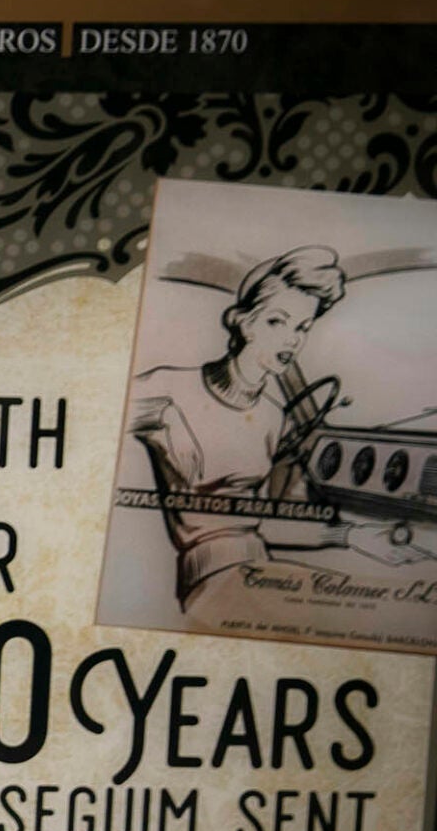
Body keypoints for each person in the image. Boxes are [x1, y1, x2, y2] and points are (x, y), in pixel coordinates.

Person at [129, 247, 429, 604]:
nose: (293, 339)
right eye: (277, 321)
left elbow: (270, 522)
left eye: (302, 327)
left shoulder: (276, 417)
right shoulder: (166, 391)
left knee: (405, 595)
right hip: (211, 579)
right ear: (243, 322)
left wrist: (352, 536)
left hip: (258, 565)